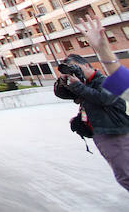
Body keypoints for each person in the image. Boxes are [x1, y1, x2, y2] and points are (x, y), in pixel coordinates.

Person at [54, 52, 129, 192]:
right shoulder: (84, 84)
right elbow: (61, 94)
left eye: (75, 68)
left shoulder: (103, 80)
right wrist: (64, 80)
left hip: (115, 134)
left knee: (125, 175)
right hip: (103, 134)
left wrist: (78, 86)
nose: (74, 72)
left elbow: (104, 99)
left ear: (87, 65)